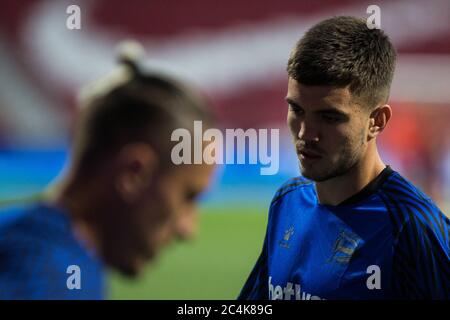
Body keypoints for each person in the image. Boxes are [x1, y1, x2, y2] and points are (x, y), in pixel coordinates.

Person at [238, 16, 449, 300]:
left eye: (329, 117)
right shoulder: (286, 201)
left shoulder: (412, 226)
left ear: (377, 120)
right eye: (297, 110)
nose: (306, 133)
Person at [0, 44, 215, 299]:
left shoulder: (19, 234)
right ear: (134, 174)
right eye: (187, 197)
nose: (187, 230)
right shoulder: (54, 282)